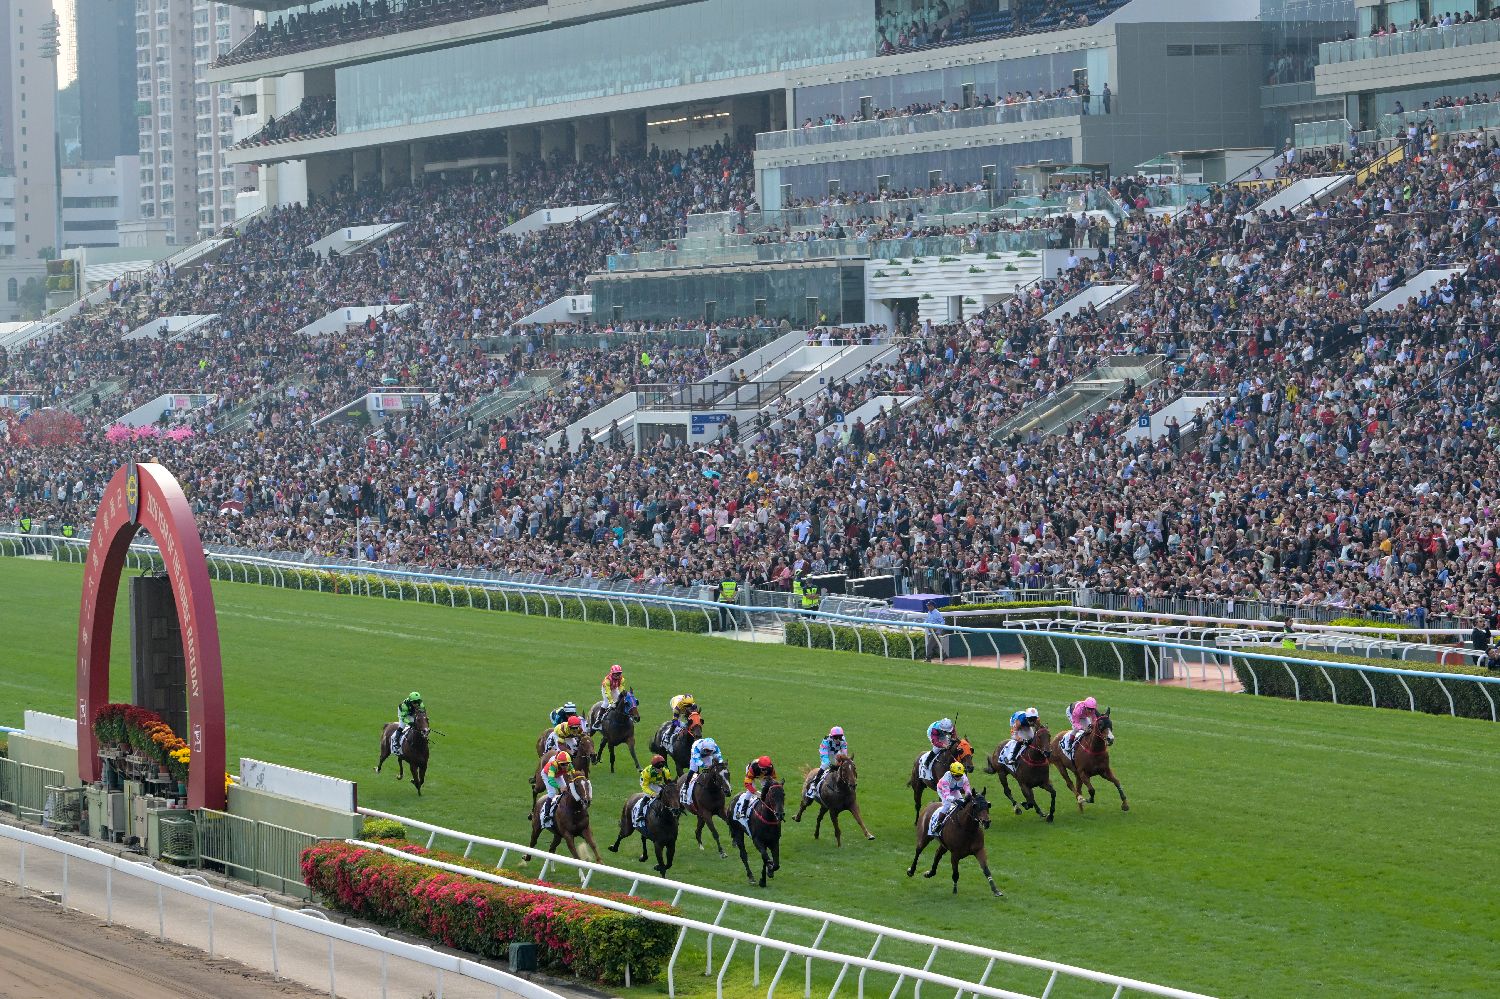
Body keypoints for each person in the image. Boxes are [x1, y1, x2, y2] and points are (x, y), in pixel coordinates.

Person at [806, 726, 848, 797]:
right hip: (826, 752)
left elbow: (844, 752)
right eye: (836, 737)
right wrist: (830, 764)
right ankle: (814, 785)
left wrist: (843, 760)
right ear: (832, 737)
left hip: (836, 752)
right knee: (825, 764)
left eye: (840, 737)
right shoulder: (826, 741)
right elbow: (824, 755)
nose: (838, 739)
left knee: (844, 764)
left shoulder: (843, 740)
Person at [931, 761, 971, 833]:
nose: (959, 777)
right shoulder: (946, 778)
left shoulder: (964, 777)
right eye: (956, 776)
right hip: (943, 791)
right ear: (952, 773)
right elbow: (947, 795)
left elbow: (967, 788)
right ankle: (938, 823)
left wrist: (968, 795)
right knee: (947, 805)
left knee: (963, 805)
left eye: (960, 775)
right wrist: (955, 800)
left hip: (954, 790)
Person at [682, 736, 724, 802]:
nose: (708, 752)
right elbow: (697, 761)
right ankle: (686, 785)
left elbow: (719, 757)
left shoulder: (715, 747)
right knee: (694, 769)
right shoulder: (696, 748)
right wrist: (704, 766)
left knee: (711, 768)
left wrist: (720, 764)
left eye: (710, 751)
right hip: (696, 756)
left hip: (705, 756)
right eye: (707, 750)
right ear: (703, 748)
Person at [394, 691, 424, 756]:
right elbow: (403, 718)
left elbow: (423, 712)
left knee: (418, 725)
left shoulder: (420, 704)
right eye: (414, 702)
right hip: (403, 713)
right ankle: (395, 741)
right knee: (402, 726)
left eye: (418, 702)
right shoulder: (404, 706)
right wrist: (409, 723)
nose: (416, 704)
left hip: (411, 712)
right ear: (411, 702)